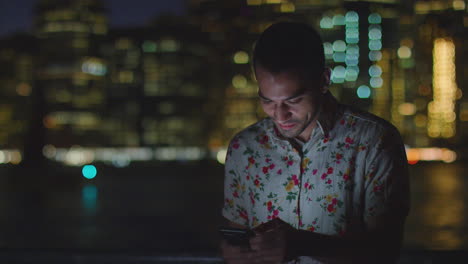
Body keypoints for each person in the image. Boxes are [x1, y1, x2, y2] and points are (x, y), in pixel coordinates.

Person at [220, 21, 410, 264]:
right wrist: (233, 253)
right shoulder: (244, 148)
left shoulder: (375, 142)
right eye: (267, 101)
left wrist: (303, 244)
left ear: (324, 80)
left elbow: (386, 250)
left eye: (294, 100)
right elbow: (234, 234)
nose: (280, 115)